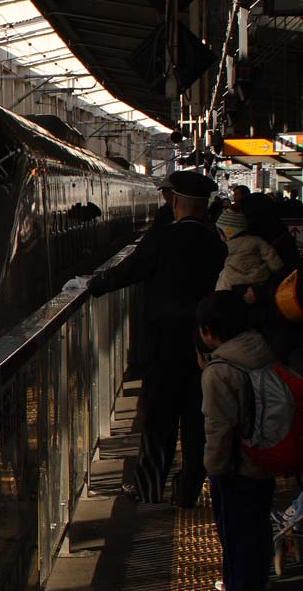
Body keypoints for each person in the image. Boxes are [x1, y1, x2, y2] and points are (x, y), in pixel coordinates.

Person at [88, 170, 227, 504]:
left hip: (163, 344)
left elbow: (129, 271)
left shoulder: (163, 238)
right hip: (203, 344)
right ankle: (189, 490)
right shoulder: (216, 243)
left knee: (158, 419)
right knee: (197, 420)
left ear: (176, 202)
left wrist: (93, 285)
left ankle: (149, 488)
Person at [197, 290, 279, 591]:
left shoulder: (220, 371)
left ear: (208, 331)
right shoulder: (260, 349)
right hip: (265, 456)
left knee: (235, 530)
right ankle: (253, 588)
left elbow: (220, 428)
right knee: (258, 526)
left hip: (237, 464)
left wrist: (214, 469)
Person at [214, 209, 286, 291]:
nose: (220, 237)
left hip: (233, 280)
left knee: (223, 278)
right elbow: (273, 259)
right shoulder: (257, 240)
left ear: (228, 232)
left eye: (220, 233)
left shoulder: (226, 246)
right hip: (258, 278)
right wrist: (278, 269)